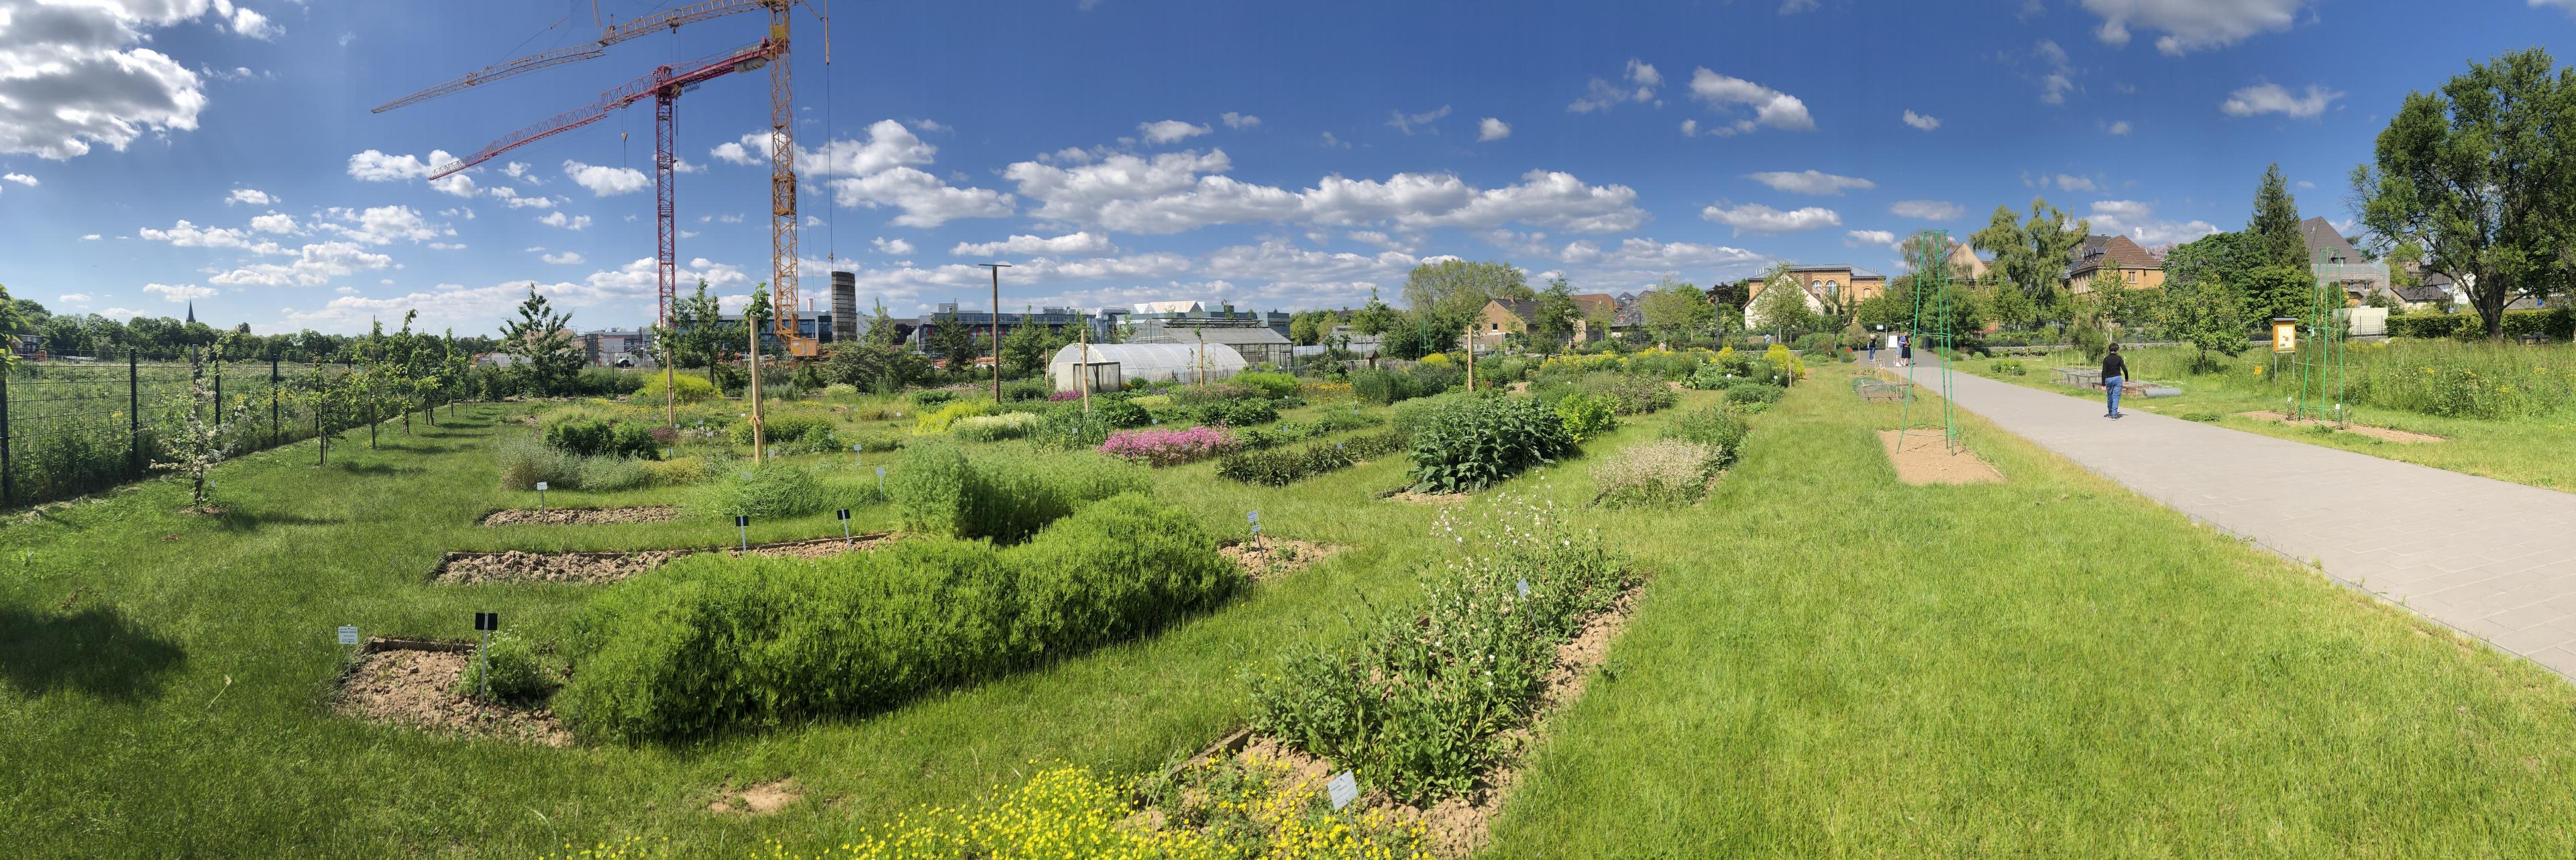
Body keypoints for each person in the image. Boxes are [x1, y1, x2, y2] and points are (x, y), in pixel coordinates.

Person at [2102, 341, 2128, 419]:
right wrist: (2126, 378)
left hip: (2109, 379)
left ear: (2109, 350)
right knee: (2116, 397)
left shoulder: (2106, 359)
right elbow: (2125, 370)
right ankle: (2114, 414)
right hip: (2117, 379)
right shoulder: (2119, 358)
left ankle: (2110, 412)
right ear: (2117, 350)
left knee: (2110, 396)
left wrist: (2103, 384)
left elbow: (2104, 372)